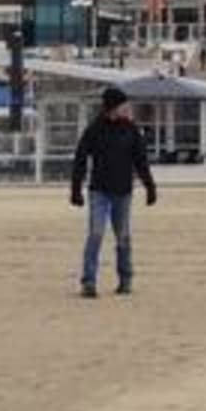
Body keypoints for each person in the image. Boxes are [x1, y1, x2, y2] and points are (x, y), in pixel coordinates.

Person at [70, 86, 157, 298]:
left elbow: (141, 161)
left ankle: (125, 279)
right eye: (123, 105)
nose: (127, 109)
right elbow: (80, 159)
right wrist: (76, 189)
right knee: (96, 234)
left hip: (123, 191)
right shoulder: (94, 129)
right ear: (112, 107)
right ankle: (89, 282)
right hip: (99, 190)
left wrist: (150, 186)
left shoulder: (131, 130)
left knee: (123, 237)